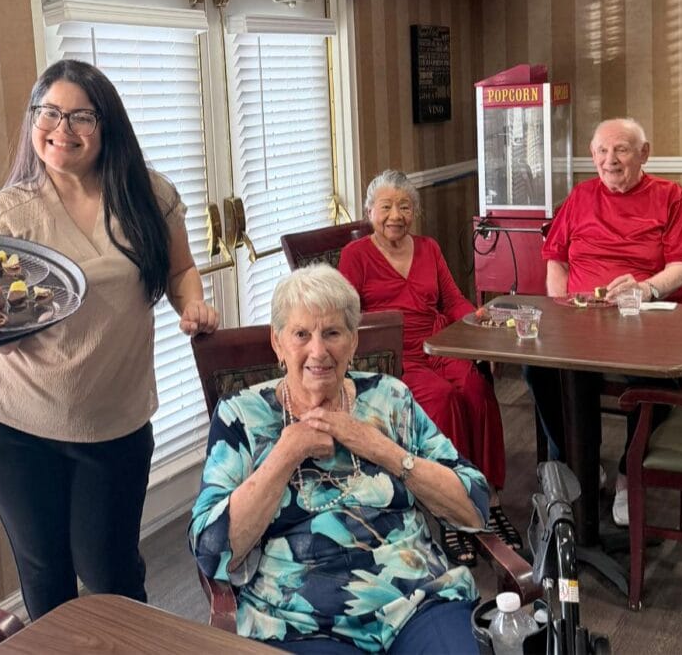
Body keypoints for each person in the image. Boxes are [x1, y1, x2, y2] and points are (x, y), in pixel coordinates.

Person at [0, 59, 219, 619]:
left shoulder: (149, 195)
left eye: (81, 116)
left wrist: (193, 302)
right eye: (49, 113)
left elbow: (179, 271)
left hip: (113, 420)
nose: (62, 129)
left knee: (113, 576)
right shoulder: (9, 212)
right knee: (47, 575)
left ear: (109, 125)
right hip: (12, 424)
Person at [190, 264, 488, 654]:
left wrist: (383, 449)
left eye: (332, 332)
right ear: (278, 343)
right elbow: (211, 550)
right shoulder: (241, 416)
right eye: (301, 334)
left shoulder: (390, 397)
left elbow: (474, 506)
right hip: (299, 620)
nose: (318, 351)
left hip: (418, 600)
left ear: (352, 341)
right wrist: (287, 451)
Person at [336, 169, 516, 565]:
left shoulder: (429, 248)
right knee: (442, 398)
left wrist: (478, 324)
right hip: (392, 352)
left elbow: (453, 302)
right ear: (370, 212)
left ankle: (490, 497)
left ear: (414, 212)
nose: (395, 215)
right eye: (386, 206)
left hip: (439, 340)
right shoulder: (356, 256)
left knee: (474, 386)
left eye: (404, 206)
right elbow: (345, 317)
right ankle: (452, 509)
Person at [527, 116, 682, 526]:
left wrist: (645, 288)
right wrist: (562, 304)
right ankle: (579, 463)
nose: (610, 159)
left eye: (621, 149)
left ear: (644, 153)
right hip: (582, 317)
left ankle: (627, 473)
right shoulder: (581, 195)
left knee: (658, 377)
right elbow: (556, 258)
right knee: (539, 369)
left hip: (649, 314)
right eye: (602, 151)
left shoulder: (671, 197)